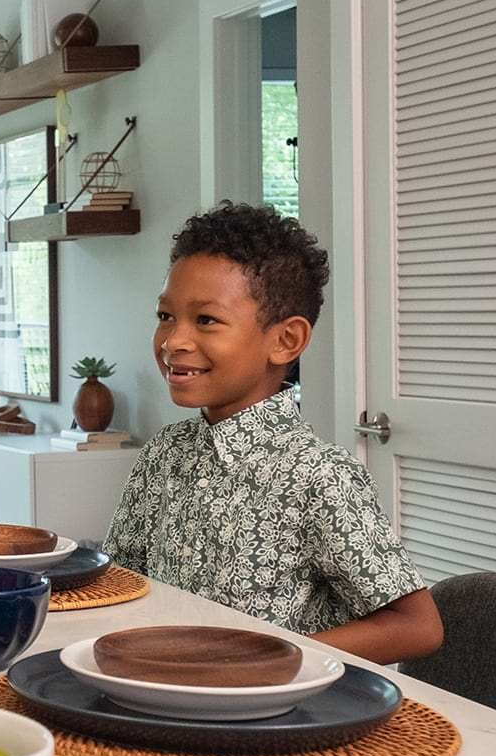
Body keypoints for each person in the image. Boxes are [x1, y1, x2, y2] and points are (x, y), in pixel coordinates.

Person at [102, 202, 444, 664]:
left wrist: (267, 661)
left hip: (271, 717)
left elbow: (417, 627)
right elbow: (121, 581)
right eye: (166, 316)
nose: (173, 341)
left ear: (285, 341)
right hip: (167, 692)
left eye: (205, 320)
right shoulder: (164, 453)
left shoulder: (319, 475)